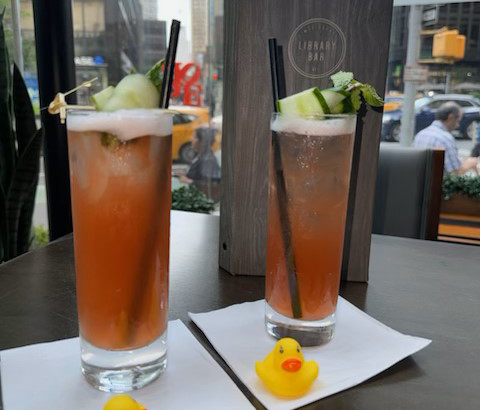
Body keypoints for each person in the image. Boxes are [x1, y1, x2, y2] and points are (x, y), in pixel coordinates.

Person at [413, 102, 478, 175]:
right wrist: (470, 163)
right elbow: (454, 173)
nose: (458, 125)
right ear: (450, 117)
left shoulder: (421, 134)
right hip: (439, 184)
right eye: (458, 121)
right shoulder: (445, 138)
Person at [176, 126, 221, 200]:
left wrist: (189, 181)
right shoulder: (201, 155)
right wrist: (185, 174)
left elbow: (213, 185)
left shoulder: (208, 160)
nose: (191, 139)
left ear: (202, 142)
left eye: (194, 137)